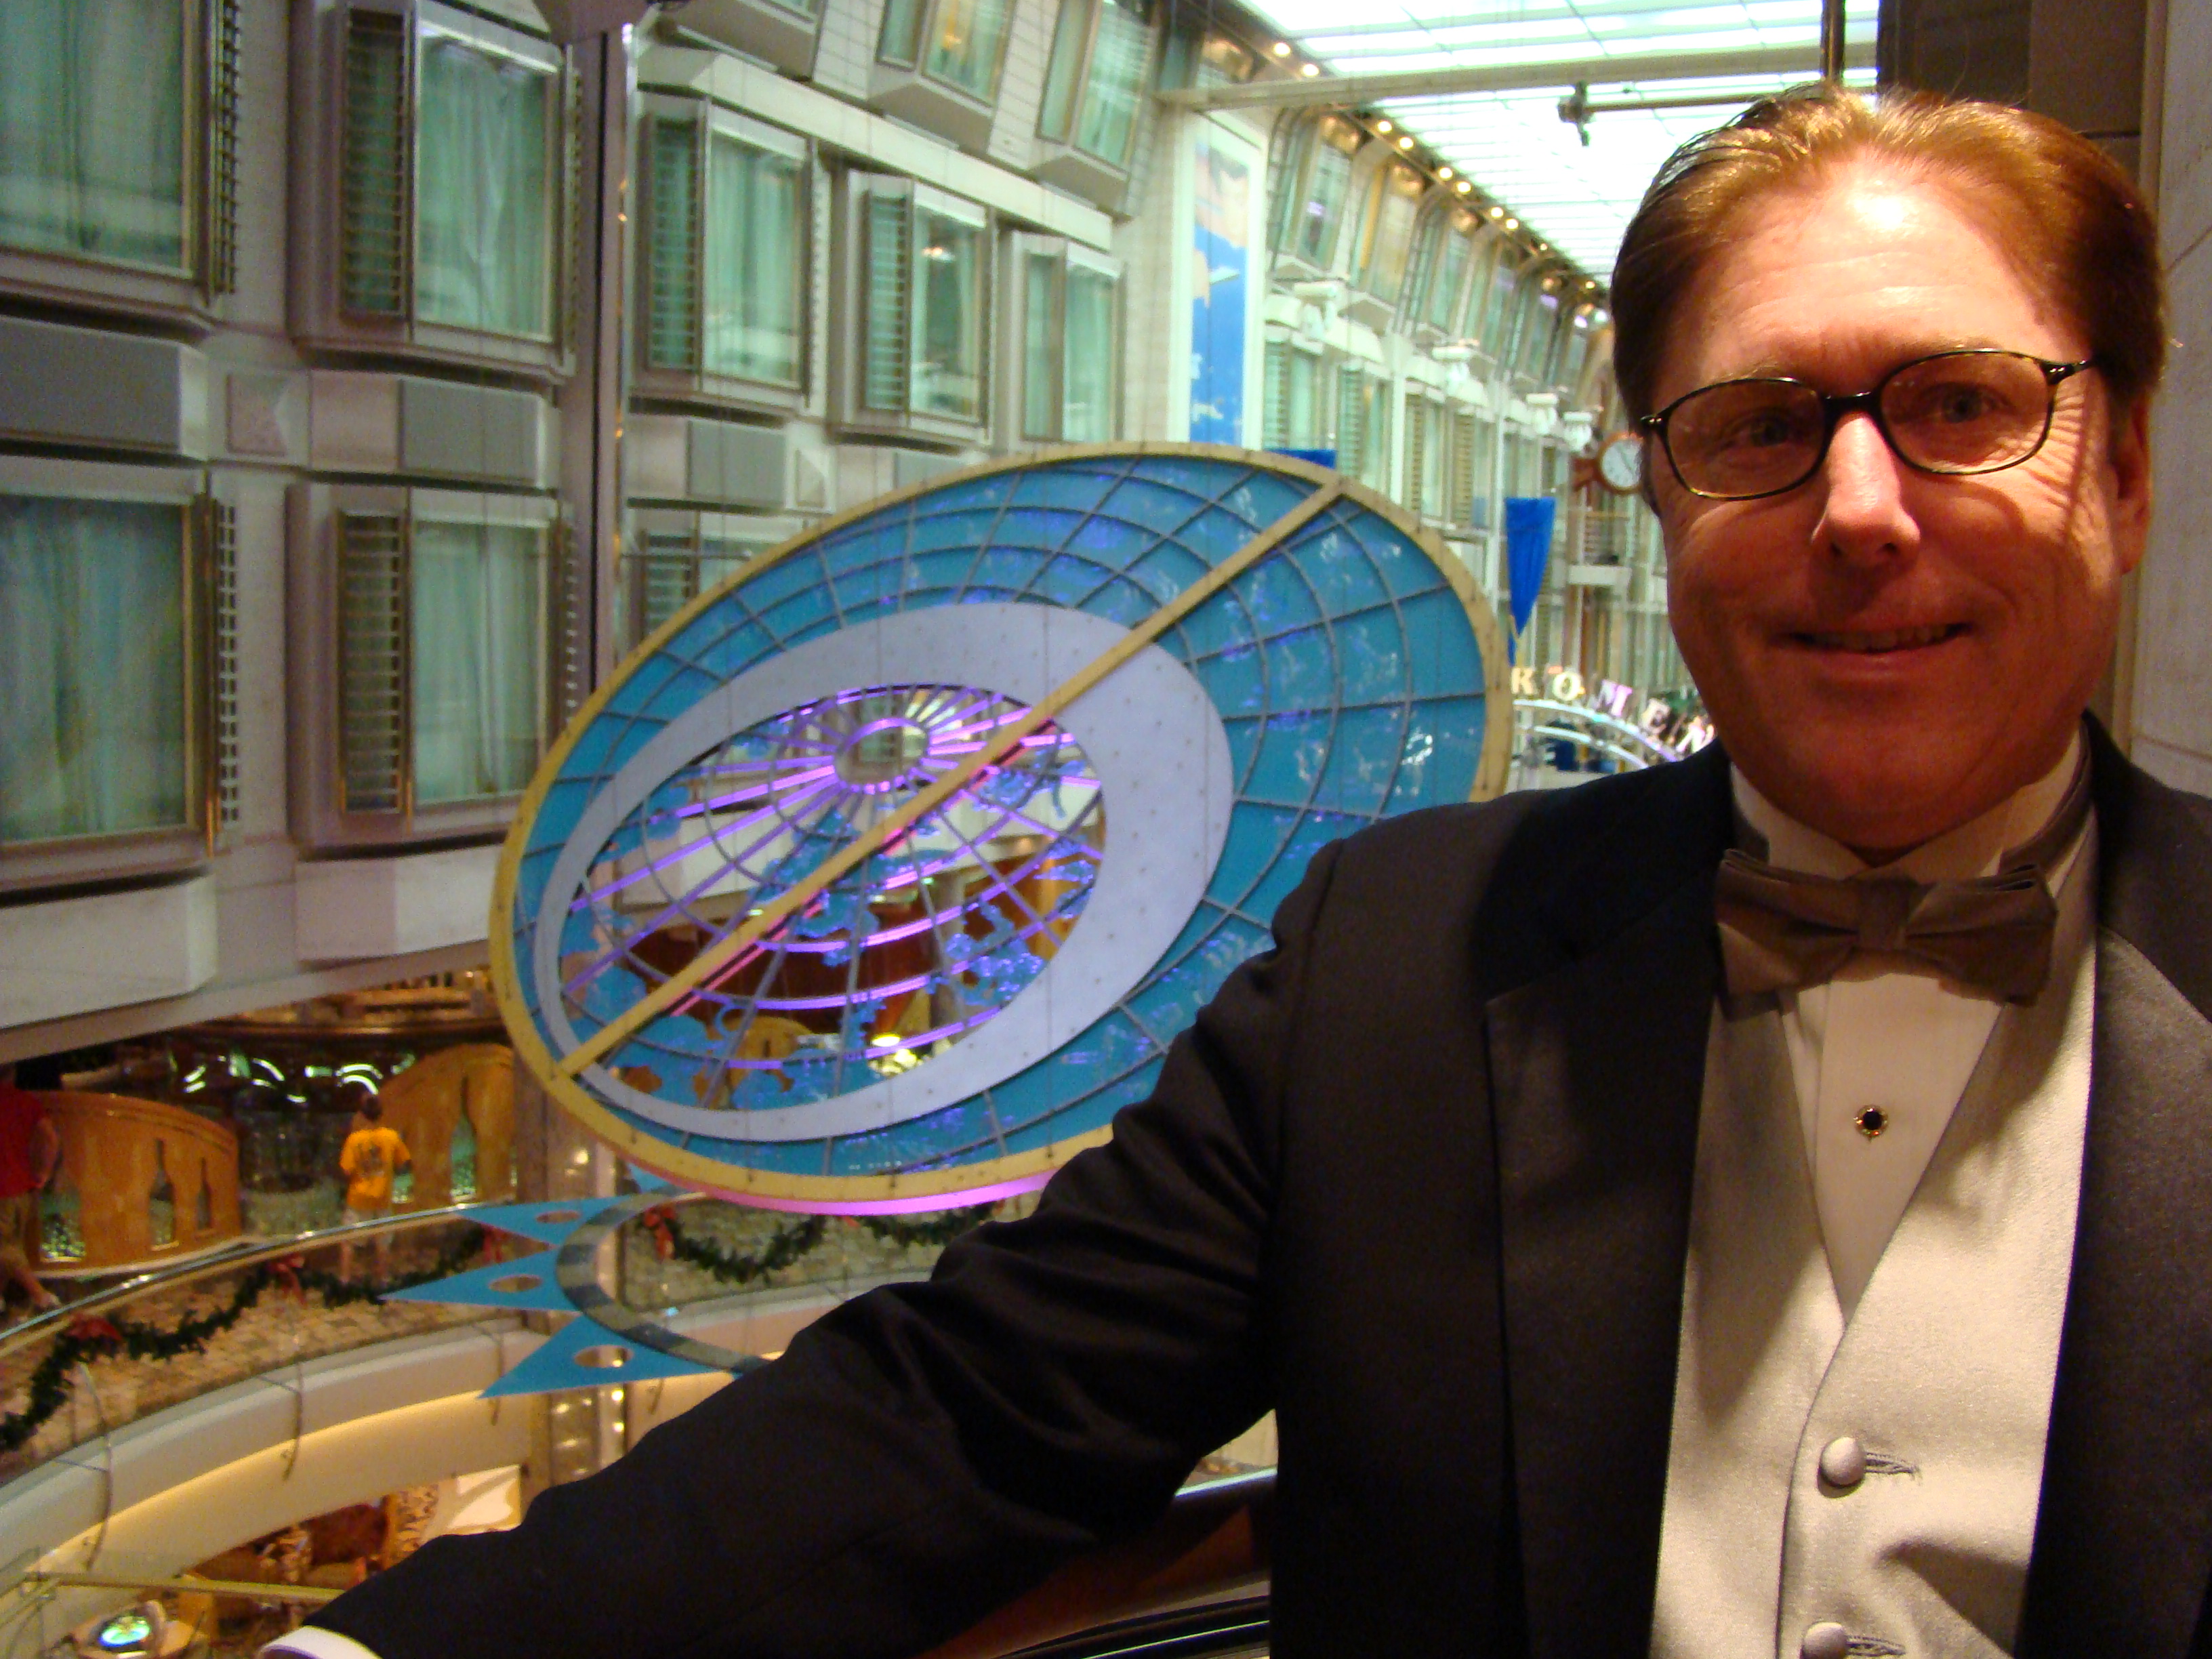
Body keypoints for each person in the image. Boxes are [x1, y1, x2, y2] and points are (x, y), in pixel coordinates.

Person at [269, 85, 2207, 1658]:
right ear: (1663, 491)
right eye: (1762, 426)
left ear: (2120, 470)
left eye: (1961, 407)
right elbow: (969, 1409)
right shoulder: (1405, 955)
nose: (1859, 511)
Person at [0, 1062, 62, 1318]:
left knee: (5, 1248)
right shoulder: (26, 1101)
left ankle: (41, 1296)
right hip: (22, 1186)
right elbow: (50, 1137)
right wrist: (44, 1172)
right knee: (12, 1246)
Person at [337, 1088, 410, 1284]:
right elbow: (403, 1163)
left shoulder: (354, 1140)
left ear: (361, 1114)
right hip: (382, 1198)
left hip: (358, 1200)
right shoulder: (391, 1136)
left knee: (348, 1242)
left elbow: (346, 1170)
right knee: (383, 1242)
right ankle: (383, 1278)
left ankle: (344, 1280)